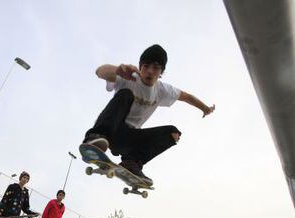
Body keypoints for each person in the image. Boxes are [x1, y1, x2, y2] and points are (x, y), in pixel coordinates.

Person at [83, 44, 215, 185]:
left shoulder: (163, 90)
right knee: (126, 94)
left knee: (173, 133)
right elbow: (99, 72)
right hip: (112, 129)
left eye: (156, 68)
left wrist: (205, 109)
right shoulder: (129, 77)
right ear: (140, 67)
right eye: (146, 66)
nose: (150, 72)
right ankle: (95, 137)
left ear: (161, 72)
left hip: (129, 139)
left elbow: (187, 97)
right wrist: (117, 70)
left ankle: (131, 162)